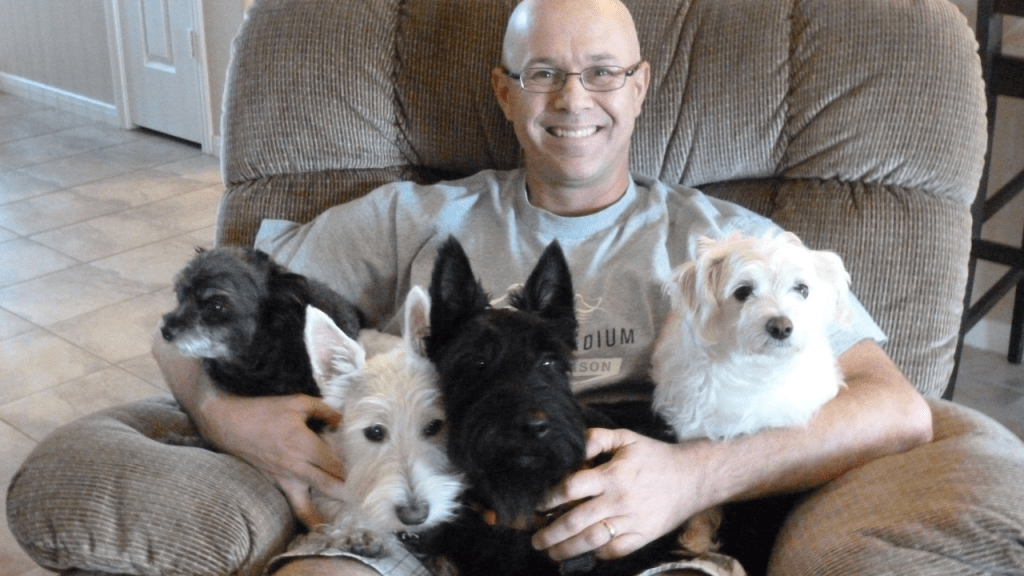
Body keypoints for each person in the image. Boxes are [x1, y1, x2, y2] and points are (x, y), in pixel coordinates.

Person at [154, 0, 933, 574]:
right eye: (543, 75)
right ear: (503, 91)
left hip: (645, 541)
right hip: (423, 527)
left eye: (603, 73)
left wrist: (693, 477)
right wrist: (229, 418)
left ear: (639, 86)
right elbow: (190, 326)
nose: (573, 100)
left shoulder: (731, 249)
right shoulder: (410, 215)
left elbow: (896, 407)